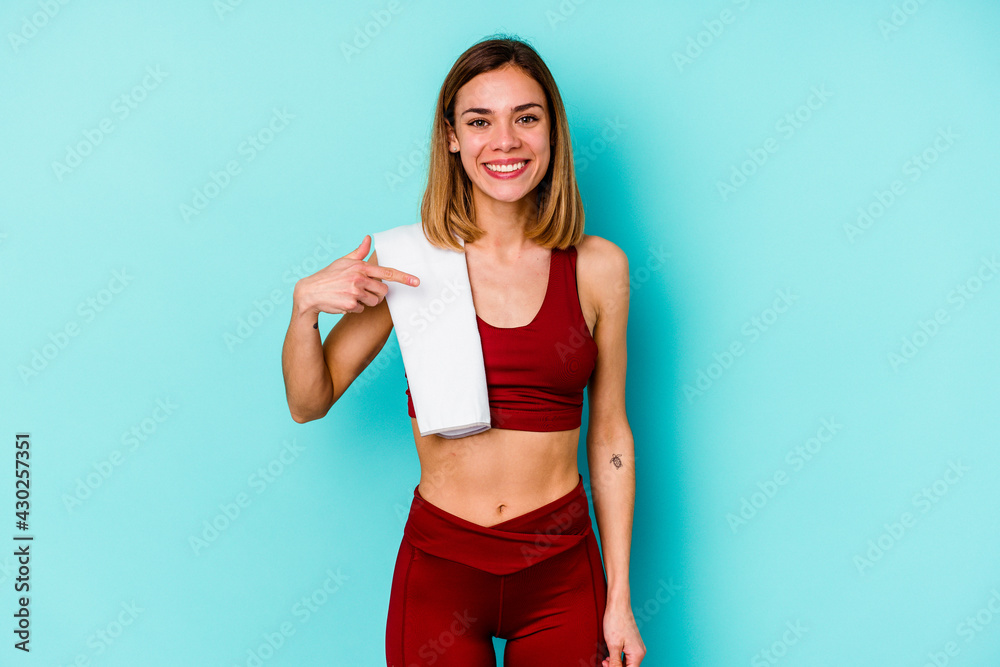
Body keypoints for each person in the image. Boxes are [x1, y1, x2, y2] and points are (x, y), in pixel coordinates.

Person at [280, 35, 645, 667]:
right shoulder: (404, 262)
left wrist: (620, 601)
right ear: (452, 137)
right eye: (479, 121)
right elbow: (308, 403)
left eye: (525, 118)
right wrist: (302, 310)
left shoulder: (598, 267)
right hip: (442, 569)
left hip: (560, 570)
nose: (504, 141)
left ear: (552, 132)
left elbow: (609, 435)